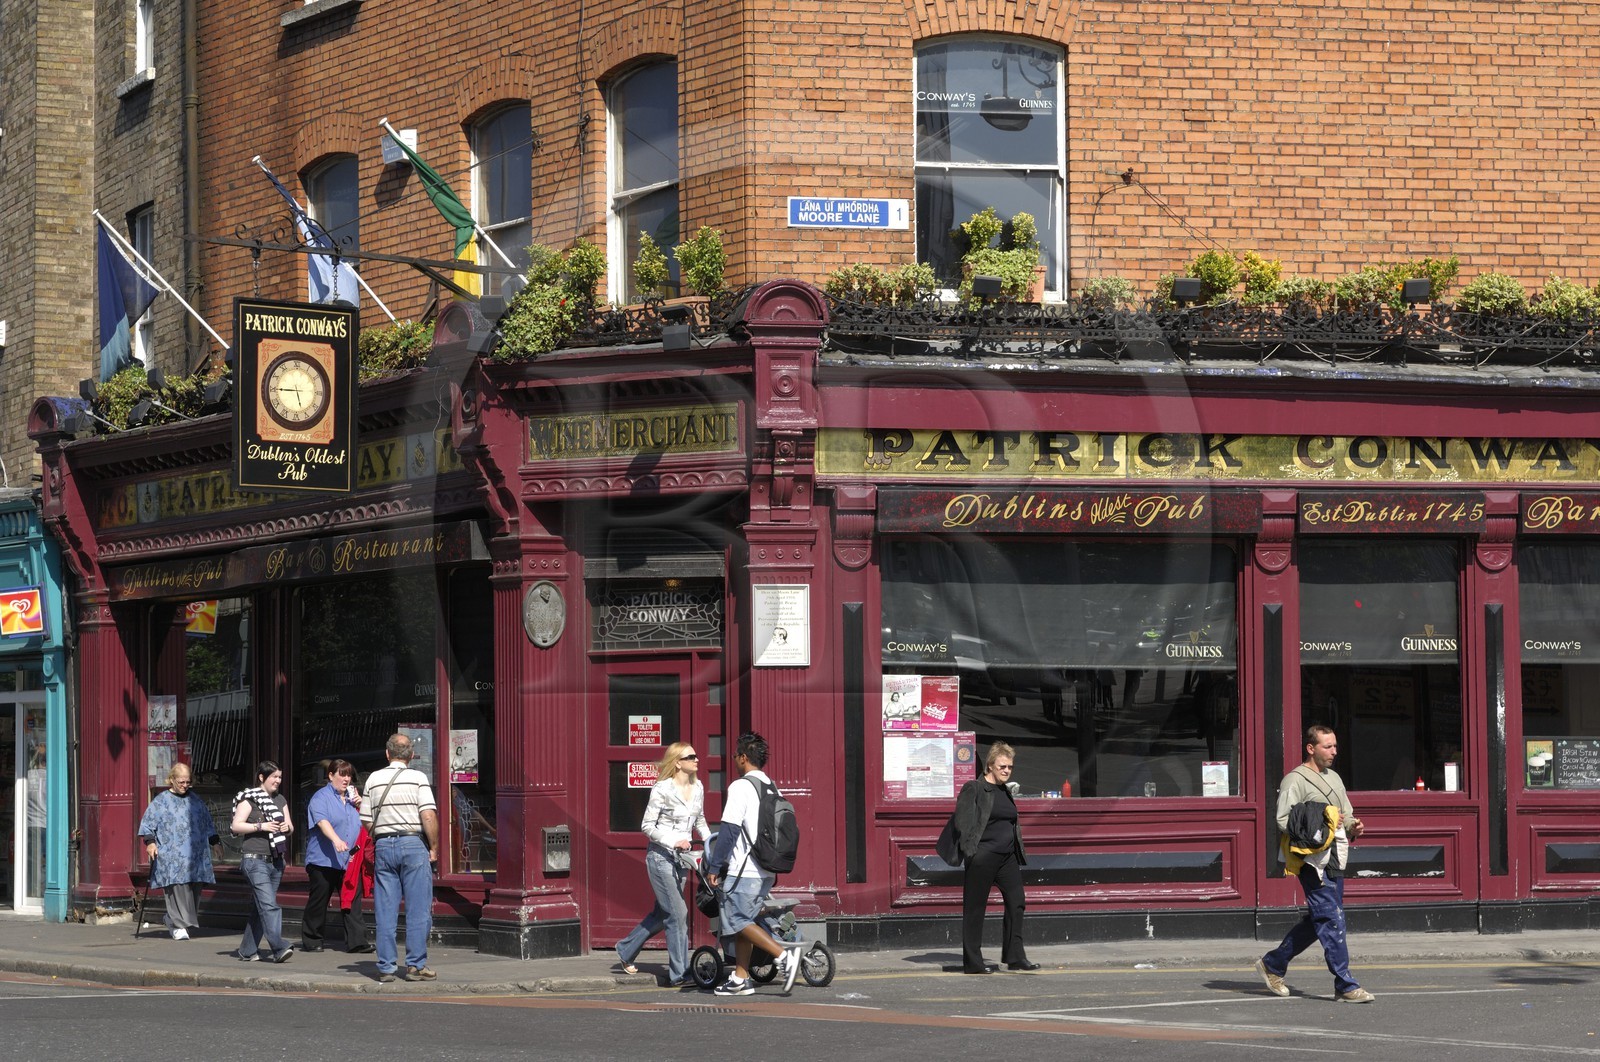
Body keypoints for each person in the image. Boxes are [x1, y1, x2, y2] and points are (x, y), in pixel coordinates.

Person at [1256, 725, 1375, 1003]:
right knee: (1332, 917)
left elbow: (1345, 813)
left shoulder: (1334, 778)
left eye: (1335, 746)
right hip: (1311, 860)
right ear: (1311, 748)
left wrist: (1353, 826)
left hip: (1335, 856)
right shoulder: (1294, 780)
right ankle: (1345, 984)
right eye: (1327, 746)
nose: (1334, 752)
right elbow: (1283, 820)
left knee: (1321, 917)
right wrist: (1320, 822)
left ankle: (1273, 964)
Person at [705, 732, 806, 996]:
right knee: (746, 923)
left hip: (745, 869)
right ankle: (740, 979)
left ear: (743, 757)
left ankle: (784, 957)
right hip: (766, 870)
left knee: (737, 920)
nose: (734, 760)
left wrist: (715, 866)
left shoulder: (740, 787)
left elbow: (729, 830)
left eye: (735, 755)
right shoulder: (771, 786)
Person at [614, 741, 711, 986]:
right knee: (678, 913)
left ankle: (626, 949)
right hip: (660, 857)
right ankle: (680, 974)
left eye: (696, 756)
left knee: (663, 913)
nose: (696, 760)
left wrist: (711, 845)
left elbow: (699, 820)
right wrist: (673, 841)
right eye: (690, 757)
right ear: (677, 763)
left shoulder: (698, 787)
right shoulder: (662, 789)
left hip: (682, 860)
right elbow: (647, 826)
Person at [952, 741, 1037, 974]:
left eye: (1010, 767)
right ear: (990, 765)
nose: (1007, 771)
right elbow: (962, 822)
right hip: (983, 856)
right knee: (975, 909)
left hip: (1007, 858)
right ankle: (973, 963)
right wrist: (973, 852)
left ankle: (1015, 957)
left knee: (1016, 902)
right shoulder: (975, 788)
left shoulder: (1004, 790)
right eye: (1002, 766)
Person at [361, 732, 439, 983]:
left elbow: (366, 819)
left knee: (385, 909)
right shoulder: (418, 778)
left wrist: (381, 835)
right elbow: (428, 815)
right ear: (412, 755)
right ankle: (415, 965)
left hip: (384, 845)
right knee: (418, 909)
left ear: (387, 754)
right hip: (413, 843)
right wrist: (434, 847)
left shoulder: (373, 779)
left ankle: (386, 967)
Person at [136, 762, 220, 940]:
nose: (185, 785)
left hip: (196, 855)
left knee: (194, 889)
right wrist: (150, 843)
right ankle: (177, 924)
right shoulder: (161, 801)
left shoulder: (196, 800)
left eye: (188, 782)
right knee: (177, 889)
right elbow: (148, 824)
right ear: (172, 779)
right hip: (172, 855)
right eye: (181, 782)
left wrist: (215, 842)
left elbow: (207, 822)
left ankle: (172, 919)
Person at [302, 759, 370, 954]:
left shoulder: (351, 799)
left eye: (349, 775)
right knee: (319, 899)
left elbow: (364, 823)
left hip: (349, 860)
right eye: (342, 774)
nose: (346, 779)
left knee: (351, 899)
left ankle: (357, 942)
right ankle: (312, 939)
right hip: (323, 859)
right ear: (331, 776)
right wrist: (336, 840)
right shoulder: (320, 797)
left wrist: (362, 805)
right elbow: (322, 821)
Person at [231, 760, 294, 963]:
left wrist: (286, 828)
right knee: (268, 905)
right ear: (261, 777)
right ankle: (279, 947)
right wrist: (261, 826)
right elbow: (236, 826)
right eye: (274, 776)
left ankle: (247, 950)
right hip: (254, 861)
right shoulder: (249, 798)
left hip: (275, 861)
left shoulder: (280, 800)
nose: (278, 780)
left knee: (262, 907)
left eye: (280, 777)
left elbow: (290, 827)